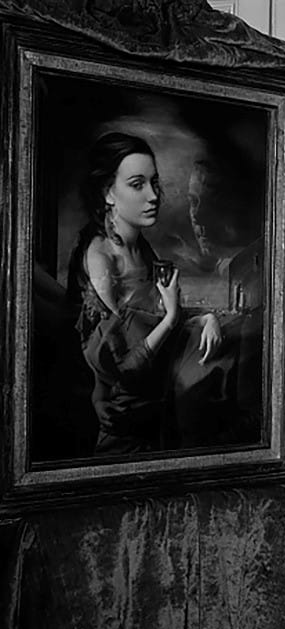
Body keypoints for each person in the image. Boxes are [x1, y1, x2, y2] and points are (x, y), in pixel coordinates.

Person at [67, 132, 226, 455]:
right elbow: (122, 371)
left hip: (154, 413)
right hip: (118, 430)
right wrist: (171, 319)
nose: (153, 195)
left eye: (154, 182)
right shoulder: (101, 258)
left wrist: (206, 317)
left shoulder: (141, 248)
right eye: (137, 184)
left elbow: (151, 313)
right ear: (107, 192)